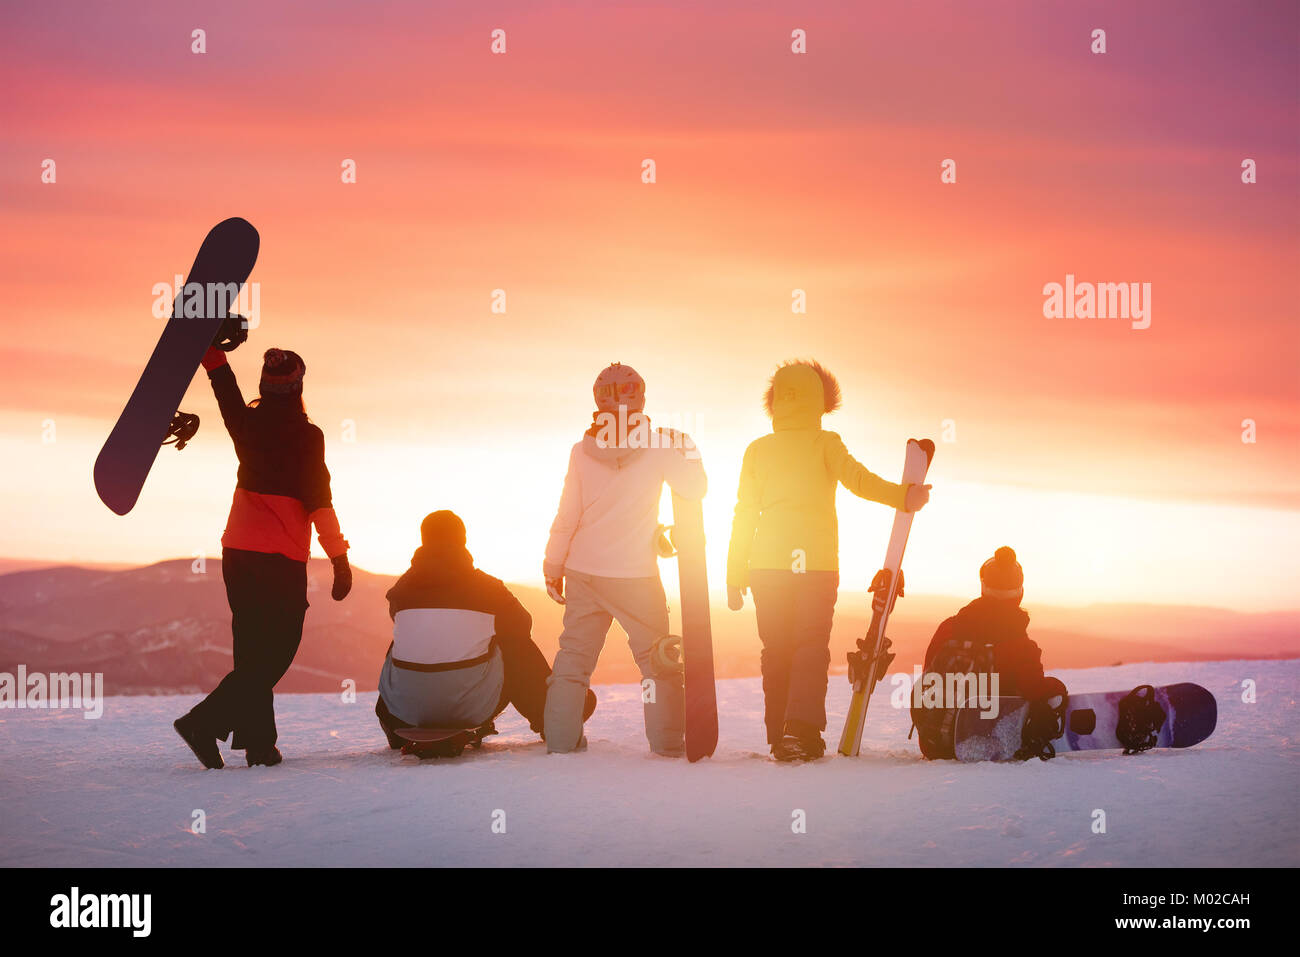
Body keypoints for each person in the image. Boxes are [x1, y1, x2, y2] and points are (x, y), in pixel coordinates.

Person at [726, 359, 930, 761]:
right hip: (815, 566)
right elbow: (858, 480)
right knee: (809, 647)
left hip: (765, 566)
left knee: (776, 649)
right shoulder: (825, 443)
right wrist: (903, 496)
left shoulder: (757, 450)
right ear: (820, 400)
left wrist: (734, 573)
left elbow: (743, 513)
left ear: (775, 402)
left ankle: (780, 734)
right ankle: (800, 732)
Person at [174, 347, 352, 769]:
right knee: (277, 651)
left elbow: (225, 390)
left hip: (238, 551)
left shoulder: (247, 424)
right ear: (298, 388)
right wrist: (339, 557)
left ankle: (259, 744)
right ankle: (203, 722)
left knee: (252, 653)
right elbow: (319, 503)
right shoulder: (308, 437)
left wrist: (210, 353)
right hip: (279, 558)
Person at [542, 363, 707, 755]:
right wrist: (688, 449)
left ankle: (561, 743)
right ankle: (666, 742)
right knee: (658, 662)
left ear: (598, 401)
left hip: (584, 571)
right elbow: (695, 488)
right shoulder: (662, 445)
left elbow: (568, 515)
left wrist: (553, 567)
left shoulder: (582, 451)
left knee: (573, 660)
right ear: (641, 397)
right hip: (636, 575)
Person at [375, 510, 595, 752]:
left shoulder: (400, 590)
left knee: (404, 644)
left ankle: (393, 725)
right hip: (469, 703)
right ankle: (552, 716)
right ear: (463, 541)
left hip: (405, 710)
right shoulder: (488, 589)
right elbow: (522, 625)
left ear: (423, 540)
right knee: (515, 646)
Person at [911, 546, 1066, 760]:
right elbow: (1034, 689)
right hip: (980, 744)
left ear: (983, 587)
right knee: (1045, 695)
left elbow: (929, 674)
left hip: (933, 743)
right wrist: (1056, 687)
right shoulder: (1020, 646)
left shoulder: (949, 628)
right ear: (1019, 592)